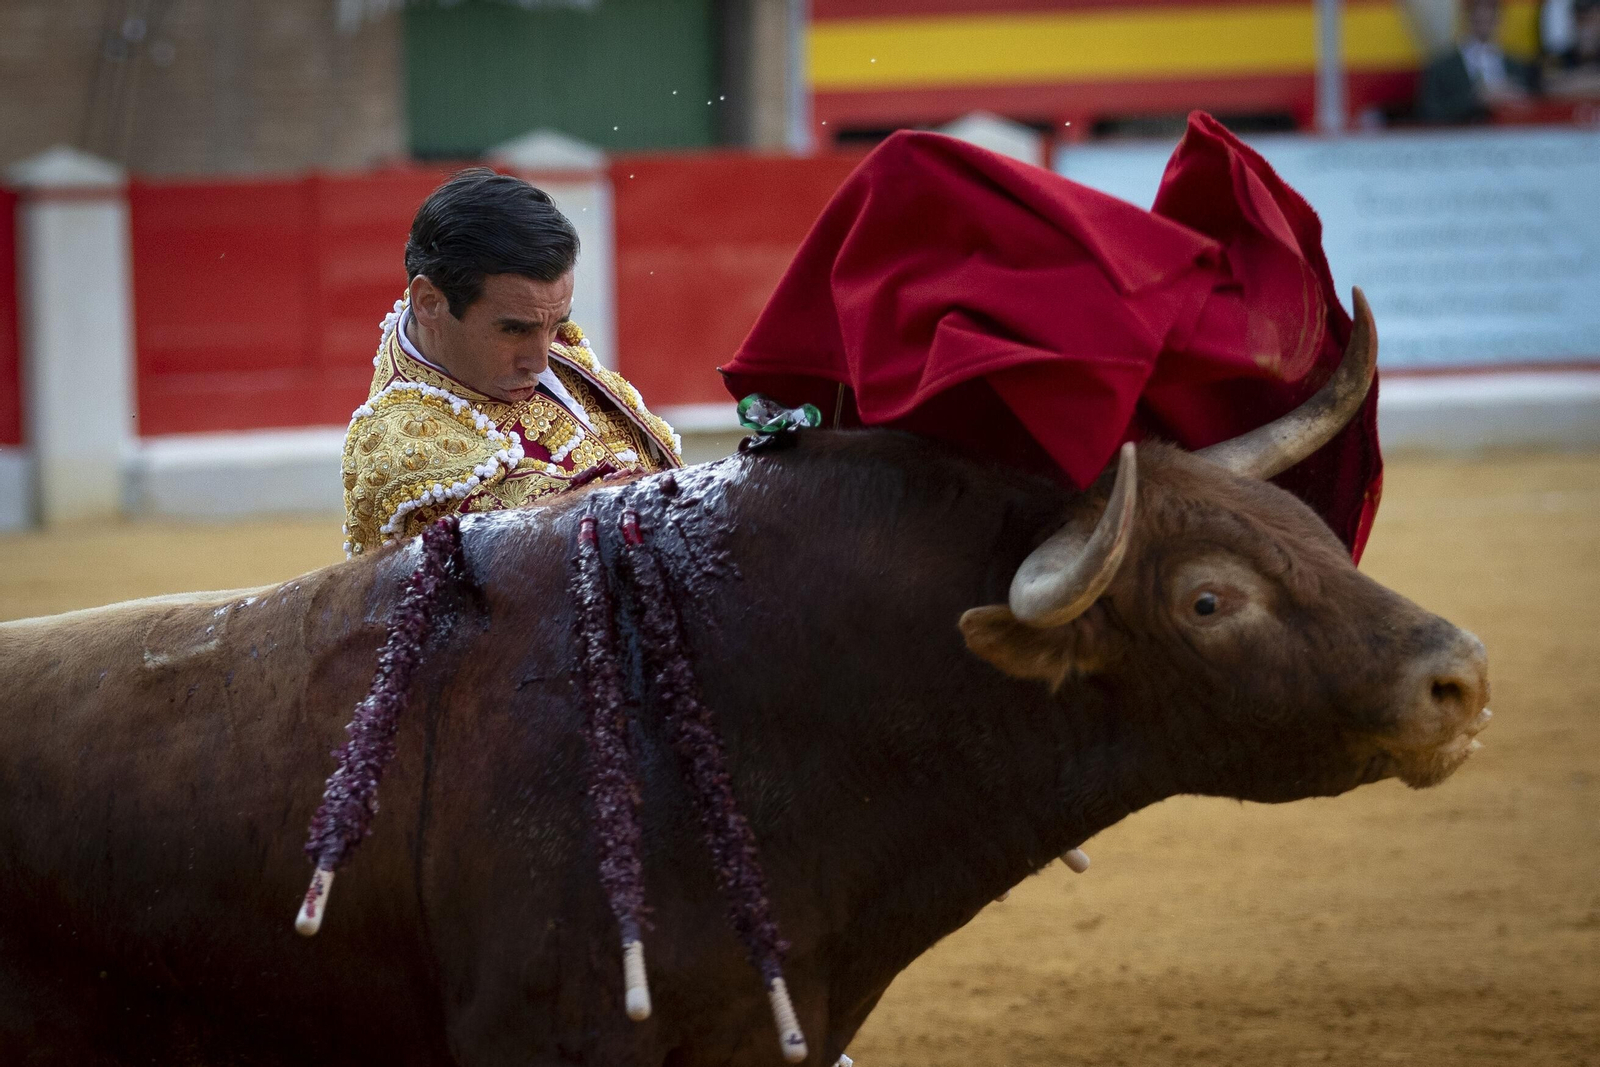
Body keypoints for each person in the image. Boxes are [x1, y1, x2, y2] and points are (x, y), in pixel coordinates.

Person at [342, 168, 681, 556]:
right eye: (514, 331)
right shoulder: (400, 448)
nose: (540, 361)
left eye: (555, 326)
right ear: (431, 303)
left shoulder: (532, 324)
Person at [1417, 0, 1540, 123]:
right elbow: (1429, 113)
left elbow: (1533, 107)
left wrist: (1516, 97)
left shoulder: (1515, 65)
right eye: (1478, 18)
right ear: (1466, 17)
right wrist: (1475, 99)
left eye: (1490, 18)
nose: (1484, 21)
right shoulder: (1443, 67)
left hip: (1509, 137)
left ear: (1499, 19)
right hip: (1460, 138)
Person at [1544, 0, 1600, 97]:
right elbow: (1547, 87)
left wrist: (1574, 79)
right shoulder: (1559, 57)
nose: (1586, 28)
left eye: (1592, 19)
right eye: (1581, 20)